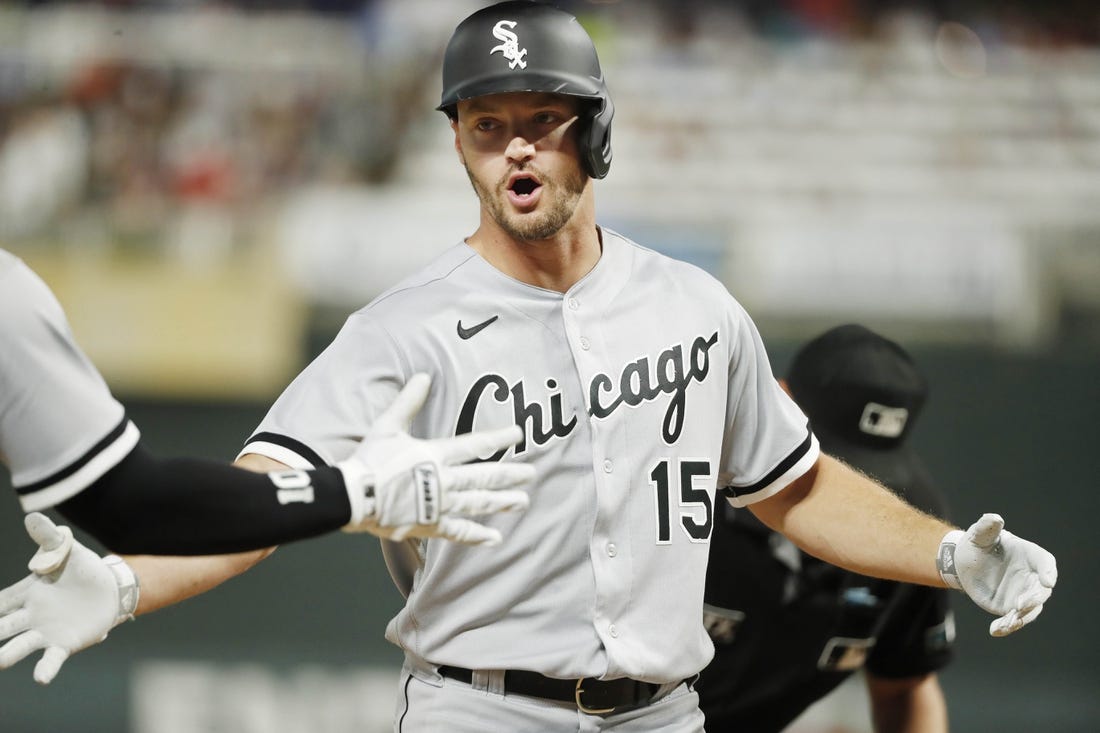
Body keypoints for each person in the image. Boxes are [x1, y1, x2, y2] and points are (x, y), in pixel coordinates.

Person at [3, 2, 1058, 728]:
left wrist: (946, 556)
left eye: (540, 123)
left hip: (663, 712)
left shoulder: (694, 308)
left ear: (591, 136)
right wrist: (131, 580)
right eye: (485, 124)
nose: (513, 148)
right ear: (458, 143)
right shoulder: (401, 327)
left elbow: (794, 485)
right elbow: (266, 497)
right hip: (478, 706)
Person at [0, 246, 535, 683]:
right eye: (488, 122)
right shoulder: (8, 303)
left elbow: (144, 505)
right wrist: (355, 493)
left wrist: (123, 581)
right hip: (478, 702)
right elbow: (142, 503)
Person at [696, 324, 955, 732]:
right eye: (827, 461)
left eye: (870, 476)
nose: (844, 489)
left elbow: (905, 685)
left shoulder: (908, 531)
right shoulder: (688, 494)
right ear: (778, 400)